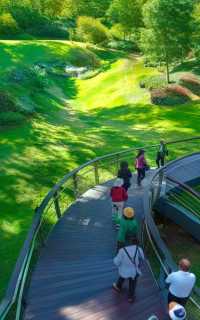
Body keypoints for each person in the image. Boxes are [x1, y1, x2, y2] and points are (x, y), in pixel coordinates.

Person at [112, 236, 144, 303]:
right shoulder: (138, 249)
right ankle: (130, 297)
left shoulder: (122, 250)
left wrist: (115, 259)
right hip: (134, 270)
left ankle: (118, 286)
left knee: (122, 277)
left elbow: (116, 262)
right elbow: (142, 258)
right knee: (133, 283)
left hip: (124, 271)